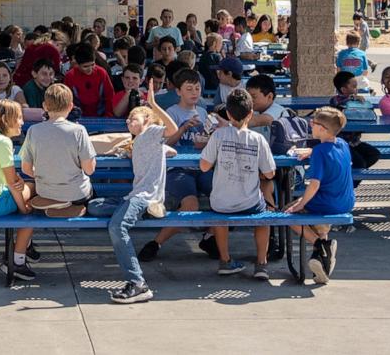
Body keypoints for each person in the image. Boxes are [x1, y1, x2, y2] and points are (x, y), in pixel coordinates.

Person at [11, 83, 97, 282]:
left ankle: (20, 256)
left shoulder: (34, 131)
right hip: (77, 193)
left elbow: (25, 169)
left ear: (45, 106)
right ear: (70, 106)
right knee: (89, 190)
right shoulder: (79, 131)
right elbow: (89, 169)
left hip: (45, 191)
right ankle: (68, 205)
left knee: (28, 203)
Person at [108, 81, 181, 304]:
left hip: (144, 197)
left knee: (116, 227)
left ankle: (137, 283)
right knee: (95, 206)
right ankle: (147, 212)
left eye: (134, 118)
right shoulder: (140, 141)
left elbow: (172, 130)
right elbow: (171, 151)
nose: (128, 121)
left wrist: (153, 104)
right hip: (135, 197)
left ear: (147, 121)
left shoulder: (151, 133)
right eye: (128, 118)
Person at [138, 69, 215, 263]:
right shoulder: (171, 112)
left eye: (197, 88)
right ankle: (156, 243)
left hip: (201, 166)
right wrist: (183, 129)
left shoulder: (204, 112)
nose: (194, 93)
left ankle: (209, 237)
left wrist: (208, 139)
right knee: (190, 206)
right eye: (189, 89)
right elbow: (165, 144)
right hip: (178, 168)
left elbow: (205, 142)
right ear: (178, 91)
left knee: (225, 197)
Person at [201, 88, 276, 280]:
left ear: (227, 113)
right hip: (249, 203)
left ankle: (225, 260)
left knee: (219, 215)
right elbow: (269, 173)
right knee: (264, 216)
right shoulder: (258, 139)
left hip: (221, 203)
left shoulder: (218, 136)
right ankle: (261, 263)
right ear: (251, 114)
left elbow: (204, 166)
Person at [286, 108, 354, 284]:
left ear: (323, 129)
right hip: (346, 201)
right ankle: (323, 262)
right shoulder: (342, 144)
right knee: (319, 223)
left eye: (314, 123)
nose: (310, 124)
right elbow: (328, 149)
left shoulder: (320, 152)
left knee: (287, 214)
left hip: (328, 202)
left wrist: (300, 204)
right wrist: (312, 150)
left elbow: (314, 184)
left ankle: (320, 245)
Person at [63, 43, 114, 118]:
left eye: (92, 64)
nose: (90, 69)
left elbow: (110, 95)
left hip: (101, 115)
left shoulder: (101, 73)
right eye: (85, 66)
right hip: (78, 115)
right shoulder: (70, 76)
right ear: (77, 64)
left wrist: (108, 114)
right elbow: (66, 99)